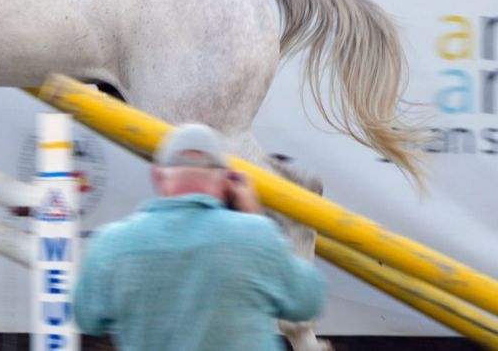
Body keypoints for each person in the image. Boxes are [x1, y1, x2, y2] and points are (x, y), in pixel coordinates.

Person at [73, 123, 326, 350]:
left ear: (158, 176)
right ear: (226, 181)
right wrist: (255, 218)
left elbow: (86, 316)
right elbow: (308, 299)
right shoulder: (258, 236)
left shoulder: (111, 244)